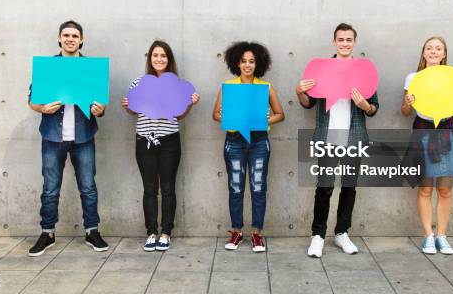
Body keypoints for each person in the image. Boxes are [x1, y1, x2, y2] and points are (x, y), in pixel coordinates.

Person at [296, 23, 379, 258]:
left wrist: (365, 106)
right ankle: (318, 235)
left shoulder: (364, 70)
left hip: (354, 136)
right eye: (340, 39)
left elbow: (374, 108)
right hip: (328, 135)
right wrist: (299, 91)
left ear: (355, 42)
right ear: (334, 42)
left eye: (349, 39)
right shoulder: (321, 69)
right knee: (324, 187)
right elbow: (308, 103)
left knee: (349, 187)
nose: (345, 43)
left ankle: (342, 232)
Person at [28, 20, 109, 256]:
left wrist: (99, 110)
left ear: (81, 39)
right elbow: (32, 100)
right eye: (66, 35)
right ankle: (47, 233)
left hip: (83, 136)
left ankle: (92, 231)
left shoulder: (91, 68)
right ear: (59, 38)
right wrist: (42, 109)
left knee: (88, 187)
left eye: (75, 35)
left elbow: (101, 104)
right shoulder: (48, 67)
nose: (70, 39)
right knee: (50, 188)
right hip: (53, 136)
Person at [121, 40, 199, 251]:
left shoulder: (178, 85)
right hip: (144, 140)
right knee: (149, 188)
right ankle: (151, 233)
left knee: (168, 188)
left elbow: (180, 116)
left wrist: (190, 104)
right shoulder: (139, 82)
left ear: (169, 59)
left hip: (169, 140)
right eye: (155, 55)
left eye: (163, 56)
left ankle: (166, 232)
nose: (159, 59)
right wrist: (128, 106)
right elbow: (132, 110)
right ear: (150, 58)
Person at [401, 36, 453, 255]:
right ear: (423, 53)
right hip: (423, 133)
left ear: (444, 54)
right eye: (429, 48)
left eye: (438, 48)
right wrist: (407, 102)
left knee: (445, 188)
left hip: (447, 133)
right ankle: (428, 236)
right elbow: (405, 111)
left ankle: (442, 235)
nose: (433, 51)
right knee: (425, 188)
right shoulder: (413, 77)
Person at [212, 41, 285, 252]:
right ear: (237, 63)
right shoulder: (229, 86)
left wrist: (263, 121)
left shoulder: (265, 87)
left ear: (258, 64)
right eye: (243, 61)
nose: (247, 65)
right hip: (234, 142)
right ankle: (236, 231)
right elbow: (215, 114)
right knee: (235, 187)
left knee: (258, 187)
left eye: (251, 61)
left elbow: (280, 114)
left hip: (259, 142)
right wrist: (230, 118)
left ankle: (257, 234)